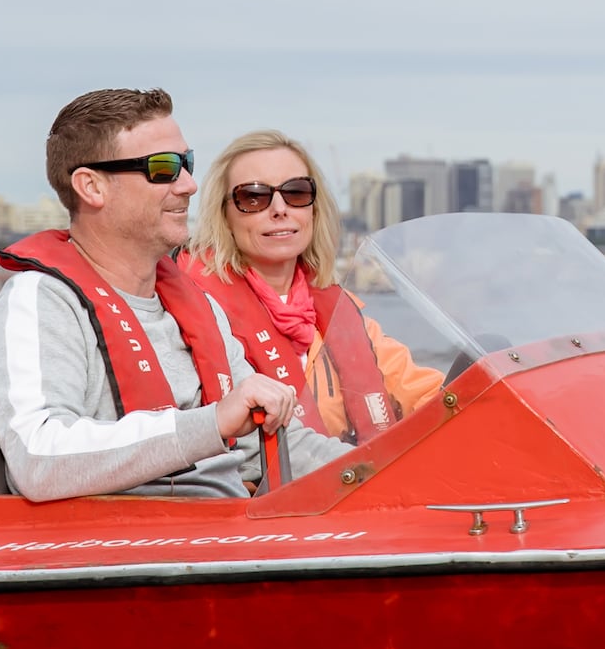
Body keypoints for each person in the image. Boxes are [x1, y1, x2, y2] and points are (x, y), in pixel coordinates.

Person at [0, 89, 349, 501]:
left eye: (186, 164)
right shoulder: (40, 302)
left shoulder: (195, 306)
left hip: (225, 537)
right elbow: (38, 457)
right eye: (164, 168)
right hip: (137, 550)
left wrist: (389, 471)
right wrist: (213, 422)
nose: (189, 184)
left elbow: (280, 445)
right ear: (91, 186)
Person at [182, 130, 442, 442]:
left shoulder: (346, 321)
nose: (279, 209)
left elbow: (430, 395)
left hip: (352, 483)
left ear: (314, 209)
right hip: (257, 489)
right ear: (224, 216)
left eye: (296, 193)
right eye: (253, 197)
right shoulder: (197, 315)